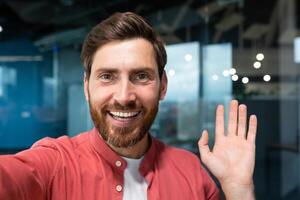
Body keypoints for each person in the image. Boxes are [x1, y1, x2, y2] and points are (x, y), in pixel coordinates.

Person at [0, 12, 257, 200]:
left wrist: (238, 188)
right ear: (87, 88)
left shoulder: (192, 173)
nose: (124, 96)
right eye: (107, 76)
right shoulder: (54, 164)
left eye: (141, 76)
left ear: (163, 86)